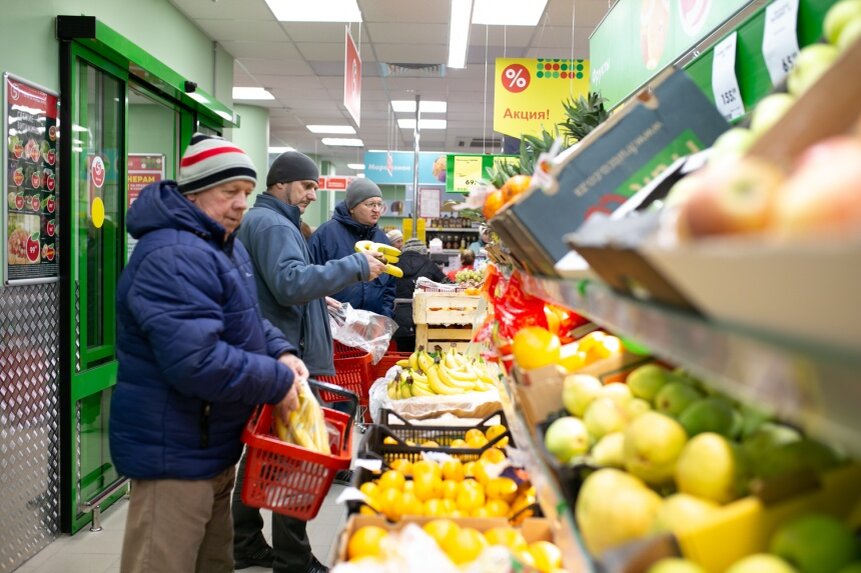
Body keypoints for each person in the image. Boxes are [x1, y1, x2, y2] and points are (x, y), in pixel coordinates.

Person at [109, 133, 307, 573]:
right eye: (229, 192)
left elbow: (246, 319)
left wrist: (280, 352)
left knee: (213, 563)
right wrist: (276, 383)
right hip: (174, 457)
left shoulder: (217, 243)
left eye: (246, 193)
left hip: (211, 446)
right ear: (194, 193)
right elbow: (196, 362)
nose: (240, 204)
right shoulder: (174, 254)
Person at [233, 151, 386, 573]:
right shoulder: (274, 224)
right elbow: (288, 282)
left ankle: (244, 542)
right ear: (281, 183)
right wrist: (354, 266)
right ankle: (293, 559)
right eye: (306, 186)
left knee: (263, 452)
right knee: (295, 458)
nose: (311, 195)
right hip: (289, 358)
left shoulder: (266, 222)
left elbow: (283, 283)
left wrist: (321, 298)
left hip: (278, 352)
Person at [308, 179, 396, 317]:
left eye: (380, 204)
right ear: (352, 207)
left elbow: (389, 287)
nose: (376, 210)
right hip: (334, 325)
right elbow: (310, 279)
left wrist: (384, 316)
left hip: (371, 326)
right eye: (370, 204)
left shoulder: (383, 241)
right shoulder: (325, 235)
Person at [392, 238, 449, 352]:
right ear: (423, 251)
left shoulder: (393, 264)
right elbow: (447, 286)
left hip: (398, 319)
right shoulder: (430, 265)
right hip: (426, 317)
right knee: (424, 354)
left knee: (403, 354)